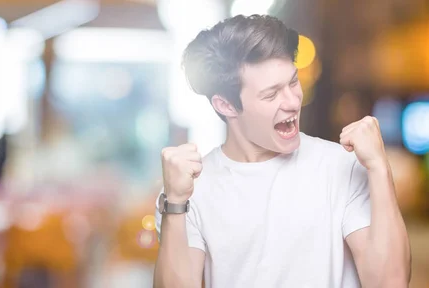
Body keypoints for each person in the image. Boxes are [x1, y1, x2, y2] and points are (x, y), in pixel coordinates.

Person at [153, 15, 411, 288]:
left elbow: (390, 282)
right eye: (271, 94)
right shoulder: (190, 191)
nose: (292, 101)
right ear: (226, 105)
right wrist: (176, 201)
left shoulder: (341, 166)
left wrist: (379, 168)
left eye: (293, 82)